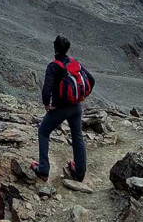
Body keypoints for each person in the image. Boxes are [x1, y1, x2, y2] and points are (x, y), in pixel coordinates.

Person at [31, 34, 95, 182]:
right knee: (77, 136)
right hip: (76, 107)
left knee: (43, 131)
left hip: (60, 108)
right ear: (67, 49)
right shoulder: (74, 62)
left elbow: (46, 89)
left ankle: (43, 170)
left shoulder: (54, 66)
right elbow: (91, 79)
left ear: (55, 48)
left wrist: (47, 104)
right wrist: (82, 96)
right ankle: (79, 172)